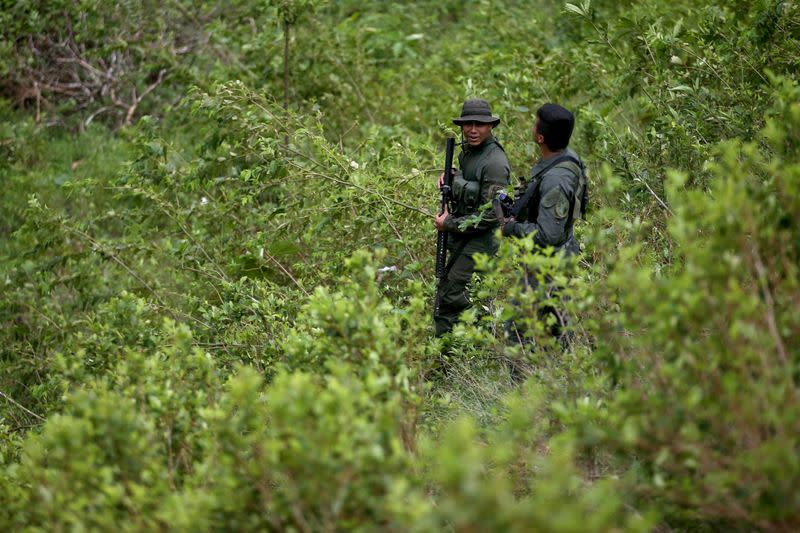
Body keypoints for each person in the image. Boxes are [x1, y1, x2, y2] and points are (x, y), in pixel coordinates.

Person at [499, 103, 587, 347]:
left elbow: (548, 234)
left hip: (549, 263)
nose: (531, 125)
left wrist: (512, 228)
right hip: (559, 257)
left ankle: (522, 382)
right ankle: (566, 375)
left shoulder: (556, 180)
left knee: (517, 329)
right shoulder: (565, 159)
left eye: (534, 122)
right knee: (558, 323)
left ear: (540, 137)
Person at [433, 98, 511, 337]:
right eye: (468, 124)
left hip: (481, 242)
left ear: (491, 127)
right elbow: (472, 186)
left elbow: (492, 214)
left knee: (453, 297)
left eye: (479, 124)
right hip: (464, 238)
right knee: (451, 293)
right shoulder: (467, 153)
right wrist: (452, 178)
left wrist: (449, 224)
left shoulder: (495, 162)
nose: (473, 130)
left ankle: (466, 349)